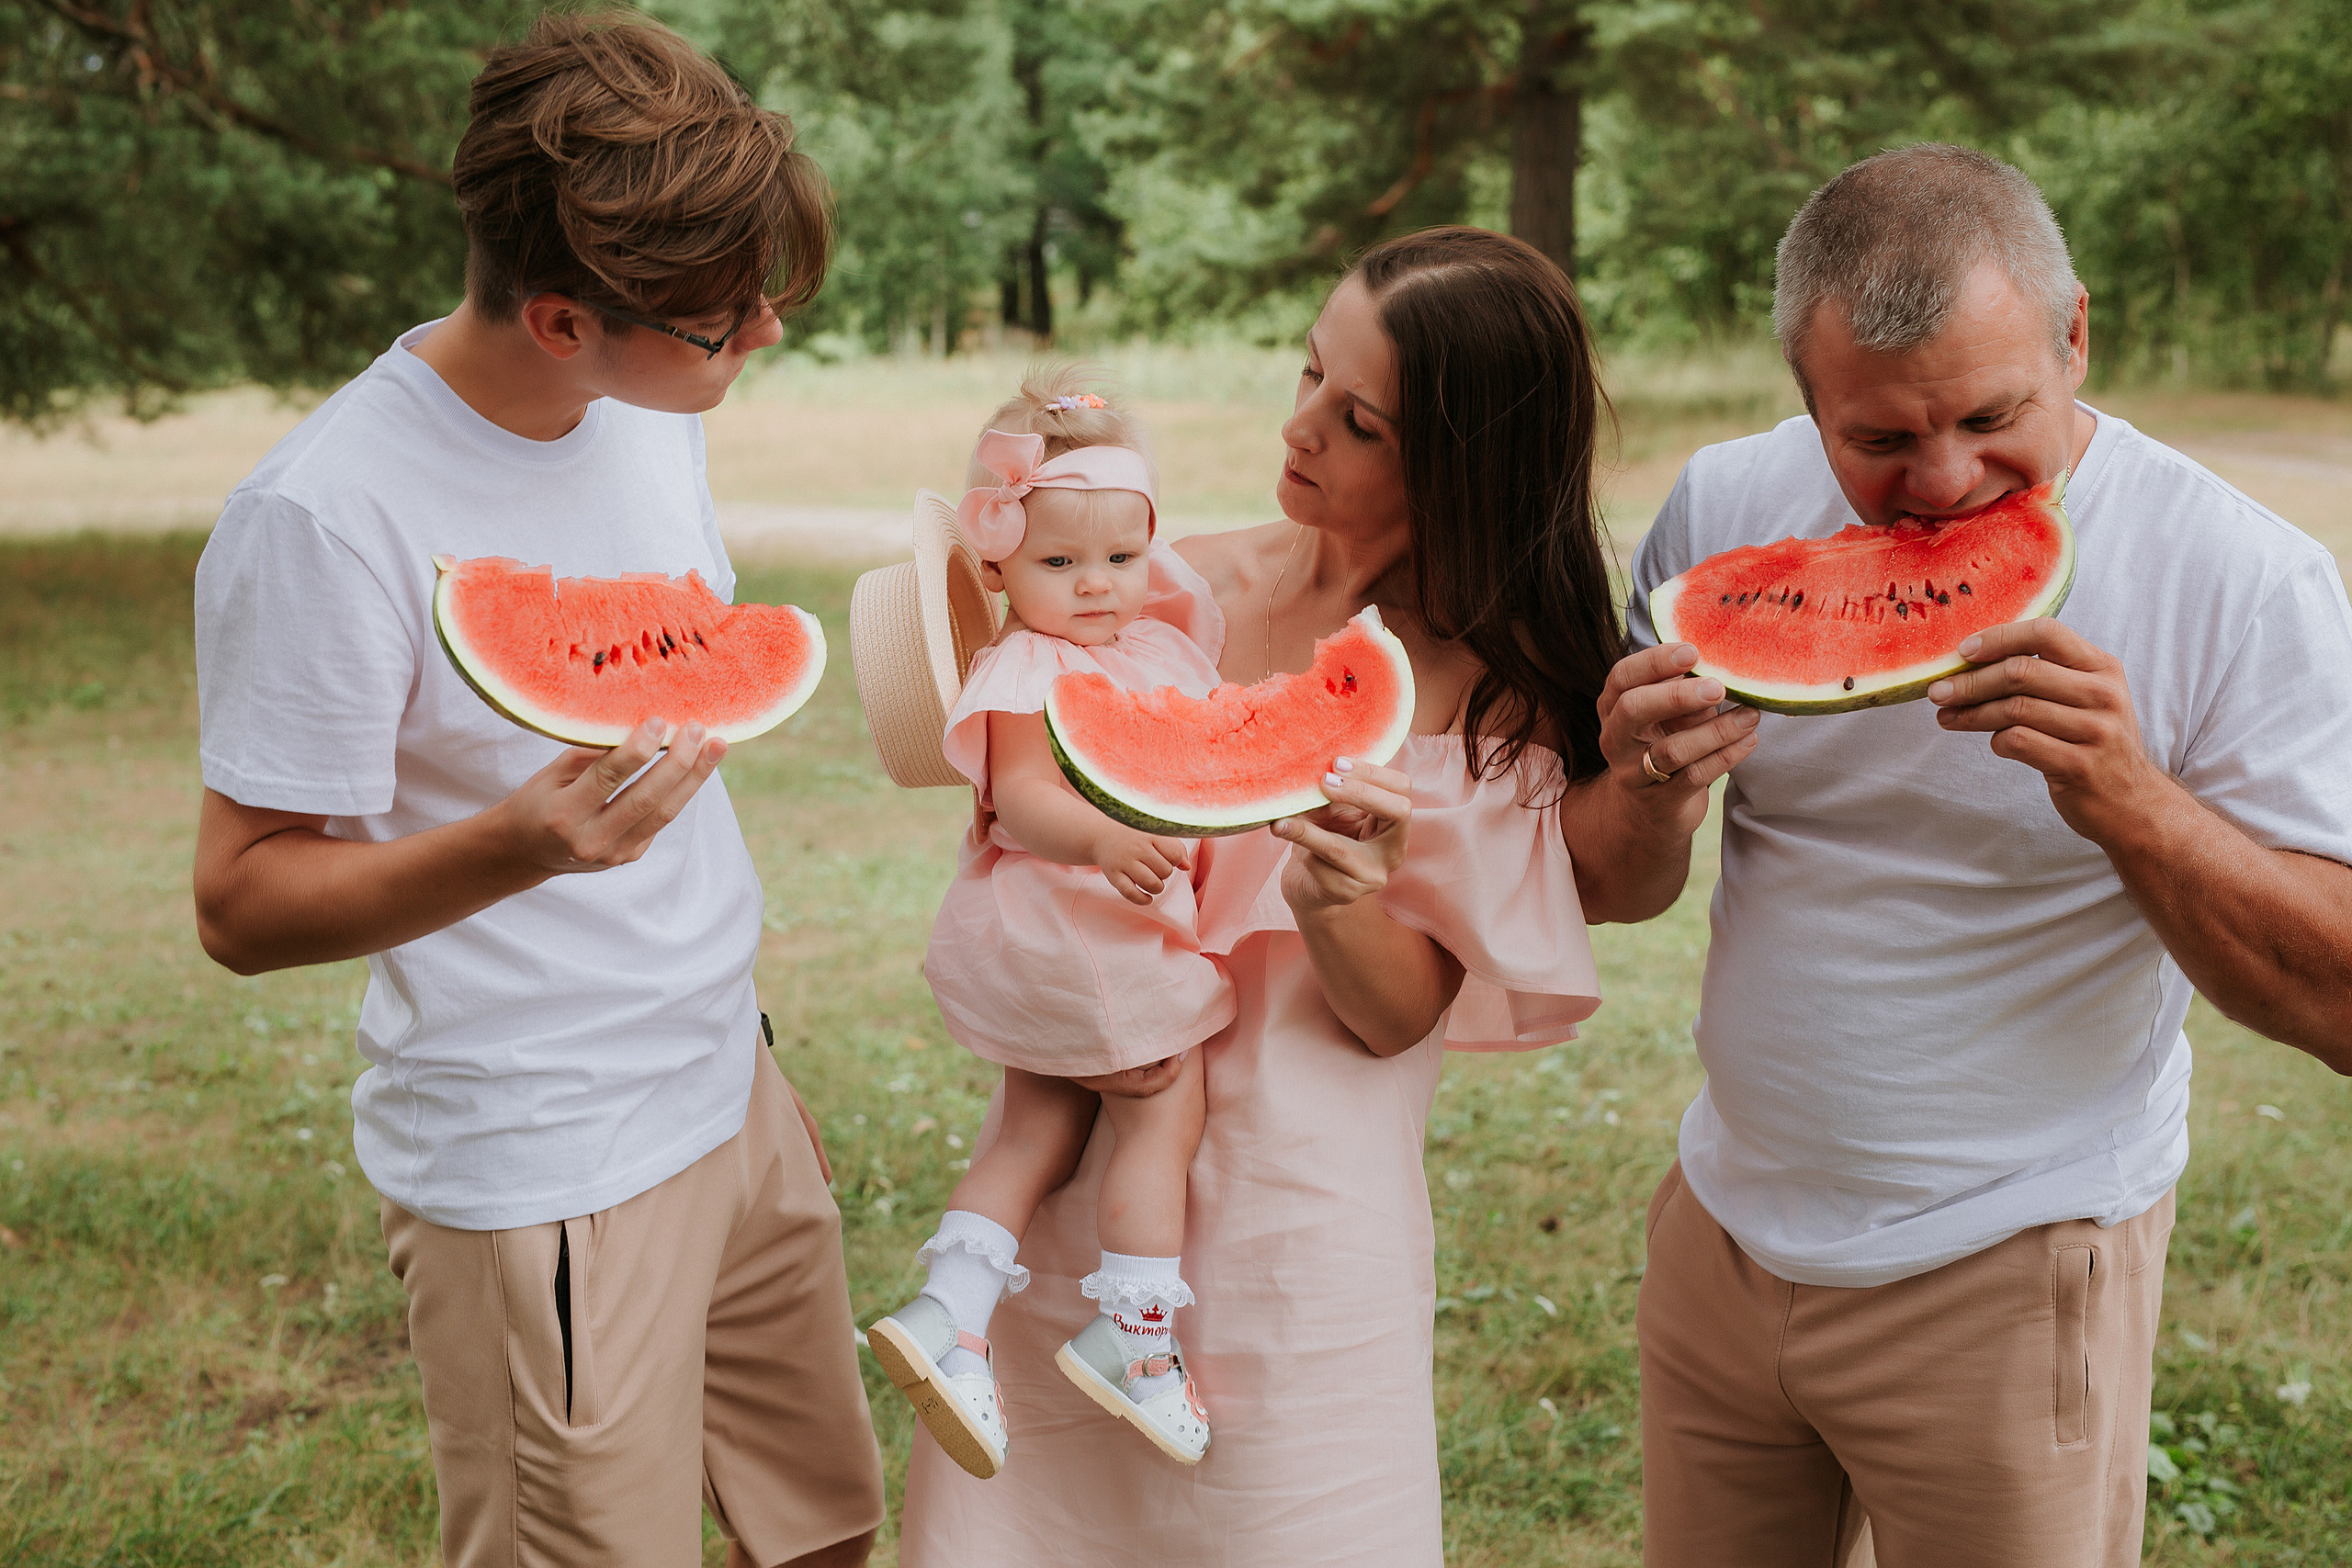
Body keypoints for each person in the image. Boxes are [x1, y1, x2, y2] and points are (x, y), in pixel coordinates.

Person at [896, 227, 1759, 1565]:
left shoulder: (1490, 703)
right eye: (1309, 371)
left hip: (1304, 1242)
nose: (1297, 427)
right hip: (1080, 1196)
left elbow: (1399, 1013)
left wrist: (1336, 893)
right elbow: (983, 733)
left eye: (1355, 419)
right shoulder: (1156, 593)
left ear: (1456, 462)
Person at [188, 14, 885, 1567]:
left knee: (823, 1528)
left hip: (730, 1095)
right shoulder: (322, 515)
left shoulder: (644, 413)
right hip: (547, 1154)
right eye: (722, 321)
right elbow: (238, 902)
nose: (761, 335)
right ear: (565, 318)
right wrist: (514, 847)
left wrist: (756, 1076)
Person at [1625, 142, 2352, 1567]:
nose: (1946, 483)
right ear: (1805, 394)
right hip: (1725, 1227)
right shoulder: (1720, 508)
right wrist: (1645, 789)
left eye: (1991, 414)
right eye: (1880, 443)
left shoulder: (2244, 576)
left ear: (2074, 333)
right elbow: (1623, 884)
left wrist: (2132, 799)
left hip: (2010, 1264)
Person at [866, 372, 1225, 1477]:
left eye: (1120, 559)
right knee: (1165, 1107)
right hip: (1076, 925)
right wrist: (1106, 843)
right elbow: (1023, 799)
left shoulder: (1147, 650)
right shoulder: (1024, 667)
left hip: (1052, 940)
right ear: (998, 565)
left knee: (1034, 1129)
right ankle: (1136, 1336)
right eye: (1057, 565)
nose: (1096, 586)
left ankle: (948, 1313)